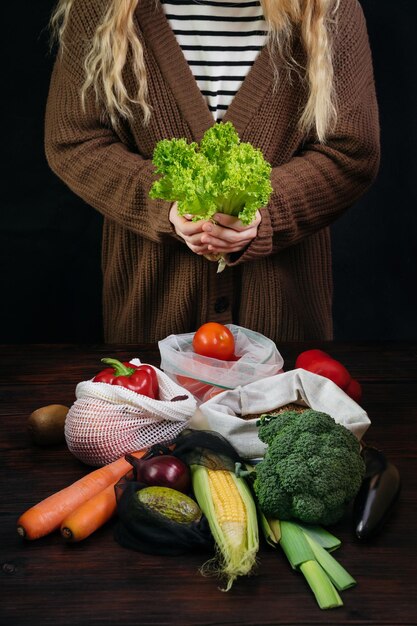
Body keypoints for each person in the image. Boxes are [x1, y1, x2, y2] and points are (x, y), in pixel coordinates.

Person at [45, 0, 380, 344]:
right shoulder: (104, 7)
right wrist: (169, 204)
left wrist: (263, 211)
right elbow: (74, 140)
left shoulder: (326, 7)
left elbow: (350, 151)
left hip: (282, 326)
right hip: (152, 322)